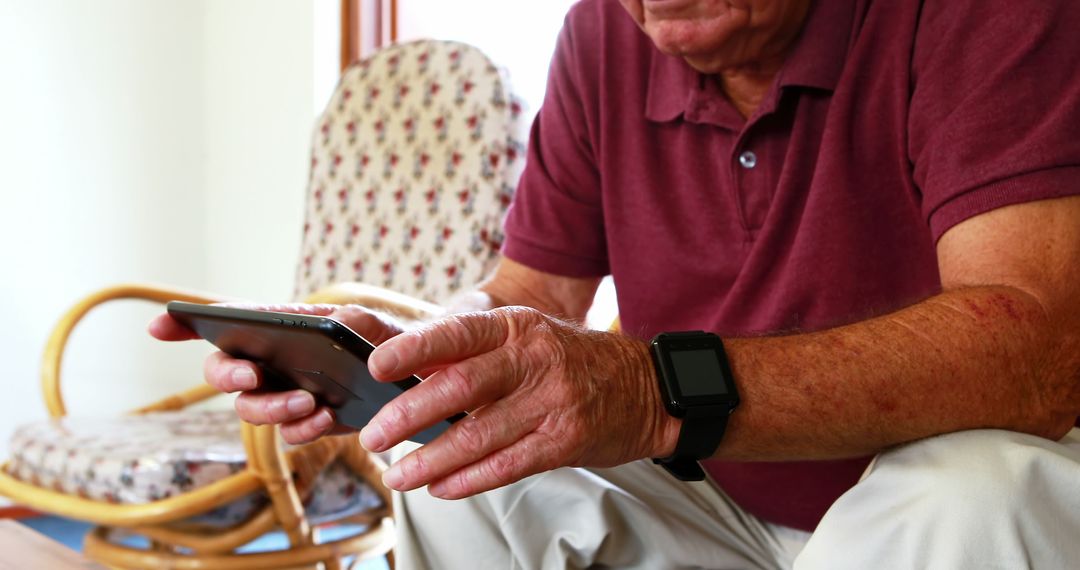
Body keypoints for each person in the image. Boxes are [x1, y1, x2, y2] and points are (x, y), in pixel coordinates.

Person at [151, 0, 1080, 567]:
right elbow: (534, 298)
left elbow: (1038, 352)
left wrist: (652, 389)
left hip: (932, 518)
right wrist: (398, 341)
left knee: (973, 488)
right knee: (466, 465)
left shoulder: (984, 12)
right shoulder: (600, 33)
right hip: (722, 504)